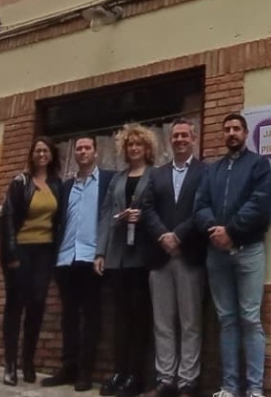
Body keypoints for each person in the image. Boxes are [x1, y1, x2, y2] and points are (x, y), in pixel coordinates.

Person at [194, 112, 271, 397]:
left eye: (236, 129)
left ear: (246, 133)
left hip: (248, 249)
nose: (231, 133)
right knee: (226, 319)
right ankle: (229, 388)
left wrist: (231, 230)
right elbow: (200, 206)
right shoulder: (212, 171)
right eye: (227, 129)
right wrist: (214, 230)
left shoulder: (259, 165)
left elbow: (261, 203)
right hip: (216, 254)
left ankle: (254, 390)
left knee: (250, 318)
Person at [141, 119, 208, 397]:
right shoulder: (157, 174)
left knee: (191, 322)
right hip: (159, 257)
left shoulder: (205, 172)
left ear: (194, 139)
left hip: (189, 255)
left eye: (185, 135)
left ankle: (187, 382)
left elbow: (203, 207)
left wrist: (178, 236)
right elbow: (146, 208)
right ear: (171, 140)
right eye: (176, 135)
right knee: (163, 322)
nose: (180, 139)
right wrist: (163, 236)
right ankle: (166, 379)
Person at [44, 137, 114, 392]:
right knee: (69, 317)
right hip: (65, 259)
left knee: (92, 317)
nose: (83, 152)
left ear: (96, 153)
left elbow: (111, 219)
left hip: (92, 259)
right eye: (79, 149)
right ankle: (68, 367)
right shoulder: (66, 186)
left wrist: (103, 253)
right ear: (75, 154)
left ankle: (85, 371)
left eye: (87, 148)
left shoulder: (108, 180)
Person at [95, 125, 157, 397]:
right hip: (118, 256)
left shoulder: (156, 176)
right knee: (119, 319)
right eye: (130, 145)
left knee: (140, 318)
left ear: (147, 149)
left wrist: (141, 217)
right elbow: (107, 215)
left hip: (142, 257)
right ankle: (119, 371)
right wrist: (100, 252)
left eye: (138, 145)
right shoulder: (117, 179)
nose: (134, 149)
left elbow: (159, 210)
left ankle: (136, 376)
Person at [0, 137, 63, 386]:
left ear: (51, 155)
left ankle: (28, 361)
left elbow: (58, 221)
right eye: (37, 150)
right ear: (32, 155)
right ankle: (10, 364)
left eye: (45, 150)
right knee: (15, 305)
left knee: (37, 303)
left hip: (45, 251)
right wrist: (11, 254)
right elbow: (7, 218)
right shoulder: (20, 182)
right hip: (21, 249)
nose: (41, 154)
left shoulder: (57, 184)